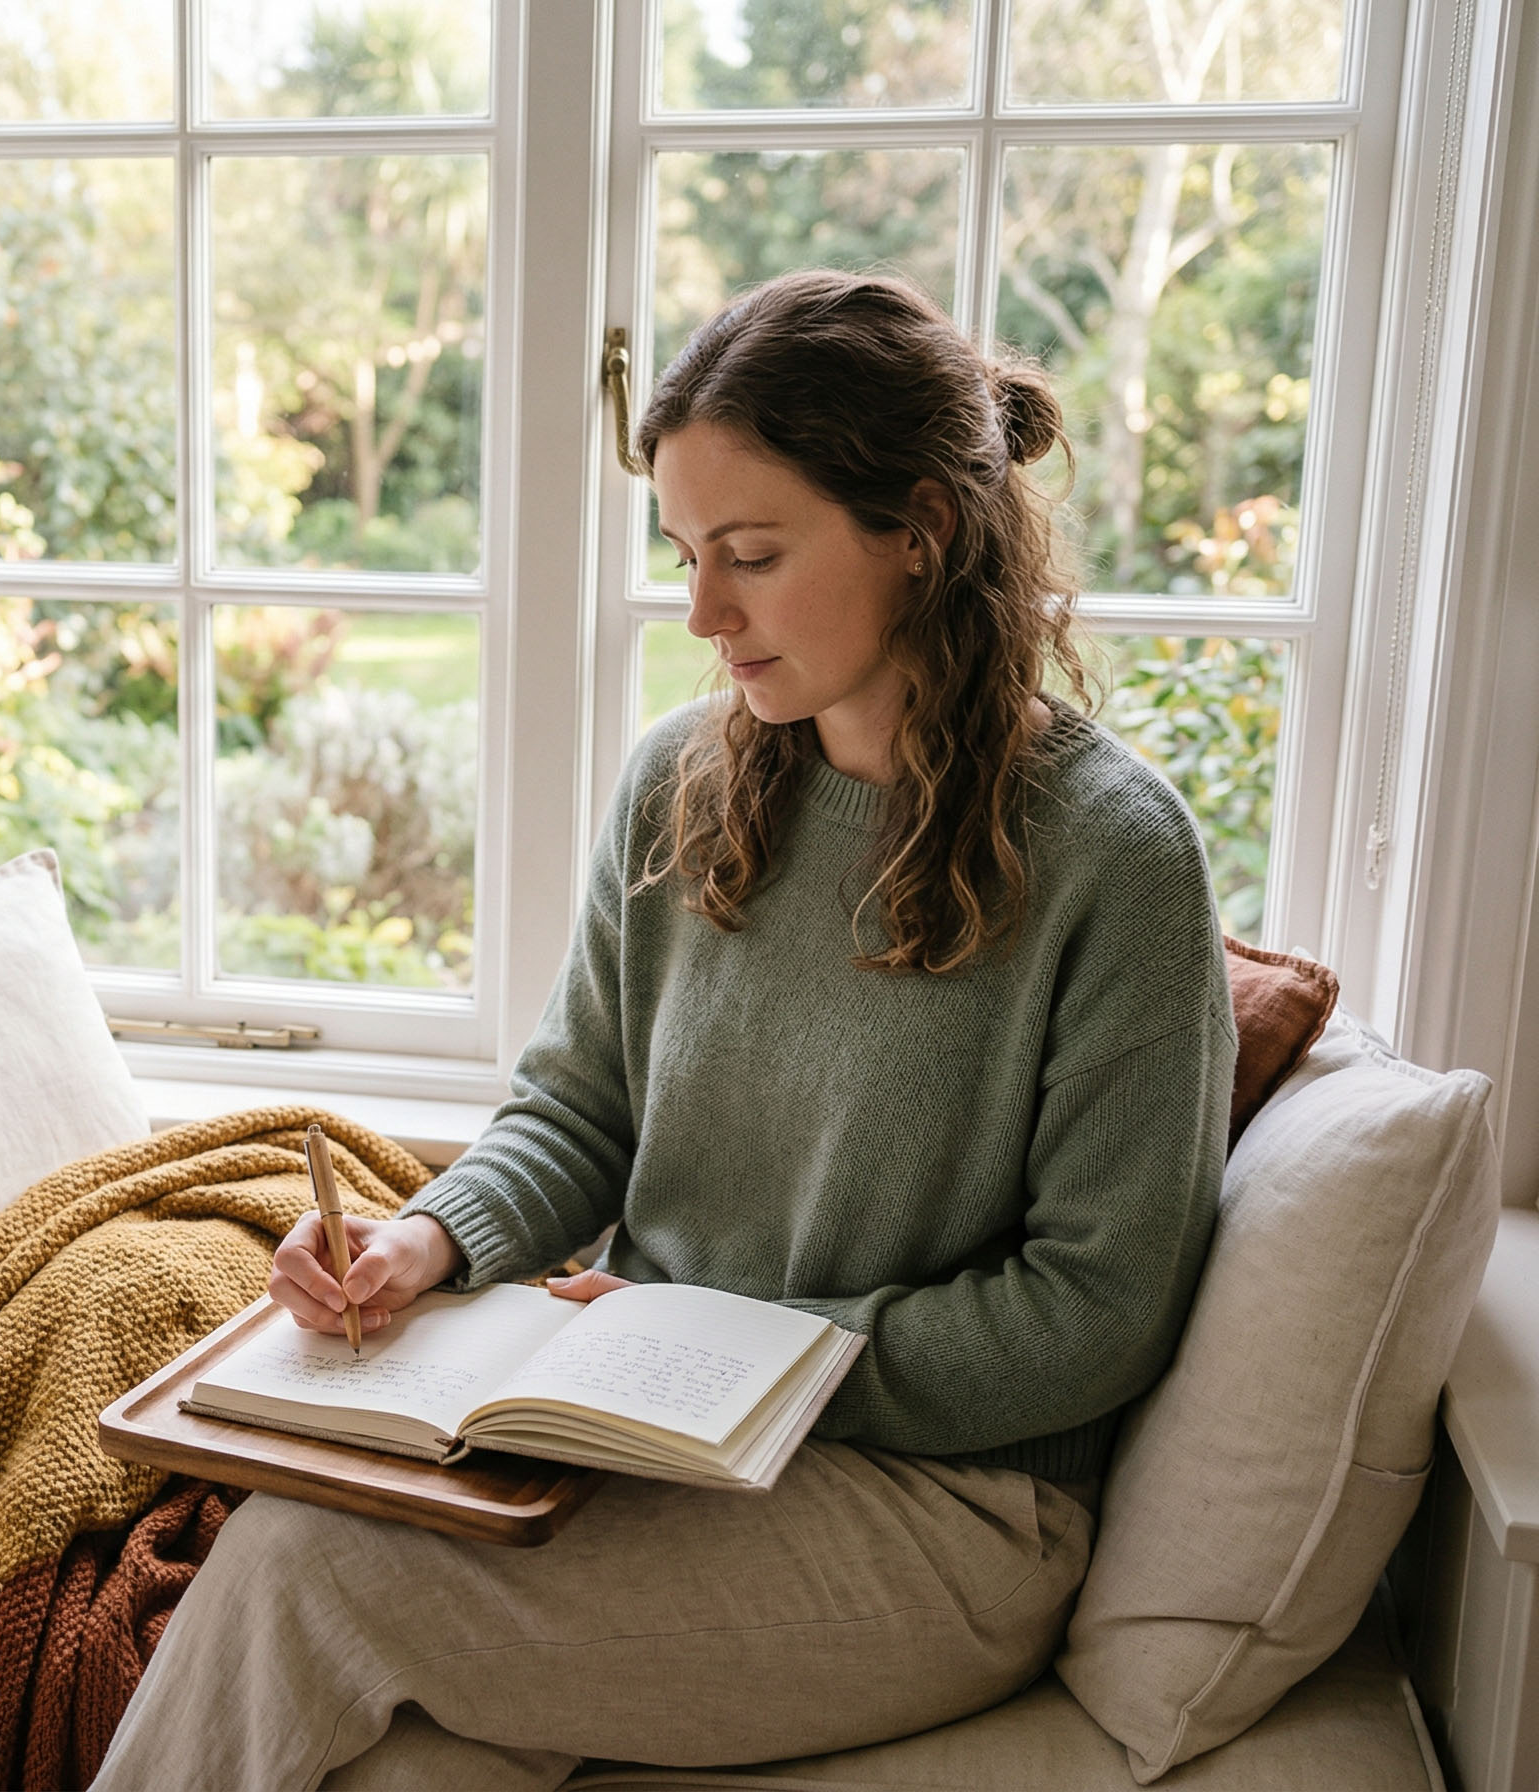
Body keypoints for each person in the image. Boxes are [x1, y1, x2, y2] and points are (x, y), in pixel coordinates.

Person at [91, 269, 1237, 1792]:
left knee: (308, 1570)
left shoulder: (1115, 856)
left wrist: (737, 1361)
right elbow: (576, 1114)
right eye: (688, 554)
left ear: (925, 530)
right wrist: (425, 1243)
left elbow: (1093, 1311)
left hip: (940, 1511)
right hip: (633, 1441)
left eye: (751, 556)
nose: (702, 612)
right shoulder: (682, 778)